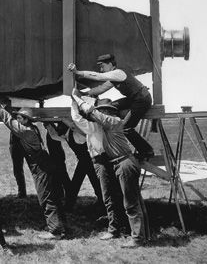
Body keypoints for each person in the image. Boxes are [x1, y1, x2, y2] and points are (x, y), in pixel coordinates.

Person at [71, 89, 147, 248]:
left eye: (103, 111)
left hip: (124, 162)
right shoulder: (109, 124)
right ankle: (131, 233)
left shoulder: (113, 122)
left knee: (131, 203)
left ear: (108, 112)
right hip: (120, 162)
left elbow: (90, 112)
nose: (101, 114)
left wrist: (76, 98)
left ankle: (138, 238)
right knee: (128, 200)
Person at [0, 94, 66, 240]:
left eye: (20, 118)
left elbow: (9, 121)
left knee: (46, 198)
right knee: (52, 197)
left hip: (41, 168)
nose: (18, 119)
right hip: (45, 165)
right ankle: (57, 225)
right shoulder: (32, 128)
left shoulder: (26, 132)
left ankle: (56, 231)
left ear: (26, 120)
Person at [68, 54, 154, 158]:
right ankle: (112, 122)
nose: (101, 69)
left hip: (142, 100)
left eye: (102, 66)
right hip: (133, 99)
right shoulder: (114, 78)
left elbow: (98, 76)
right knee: (111, 106)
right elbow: (101, 89)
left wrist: (77, 72)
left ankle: (147, 151)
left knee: (126, 128)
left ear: (110, 64)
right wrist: (83, 94)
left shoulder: (119, 73)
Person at [44, 121, 105, 215]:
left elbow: (85, 135)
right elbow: (54, 136)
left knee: (87, 182)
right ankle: (100, 204)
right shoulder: (66, 135)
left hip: (89, 160)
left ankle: (71, 205)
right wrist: (48, 125)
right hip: (84, 161)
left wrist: (66, 122)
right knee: (86, 182)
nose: (60, 133)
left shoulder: (76, 133)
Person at [0, 96, 28, 198]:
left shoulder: (11, 112)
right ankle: (22, 192)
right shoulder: (15, 111)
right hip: (19, 143)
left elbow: (5, 112)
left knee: (18, 169)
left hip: (17, 144)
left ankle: (22, 192)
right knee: (20, 169)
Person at [43, 124, 72, 204]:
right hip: (56, 156)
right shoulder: (52, 130)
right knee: (58, 176)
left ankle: (69, 195)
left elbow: (55, 137)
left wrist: (49, 126)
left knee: (62, 176)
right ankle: (60, 195)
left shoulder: (54, 131)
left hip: (57, 157)